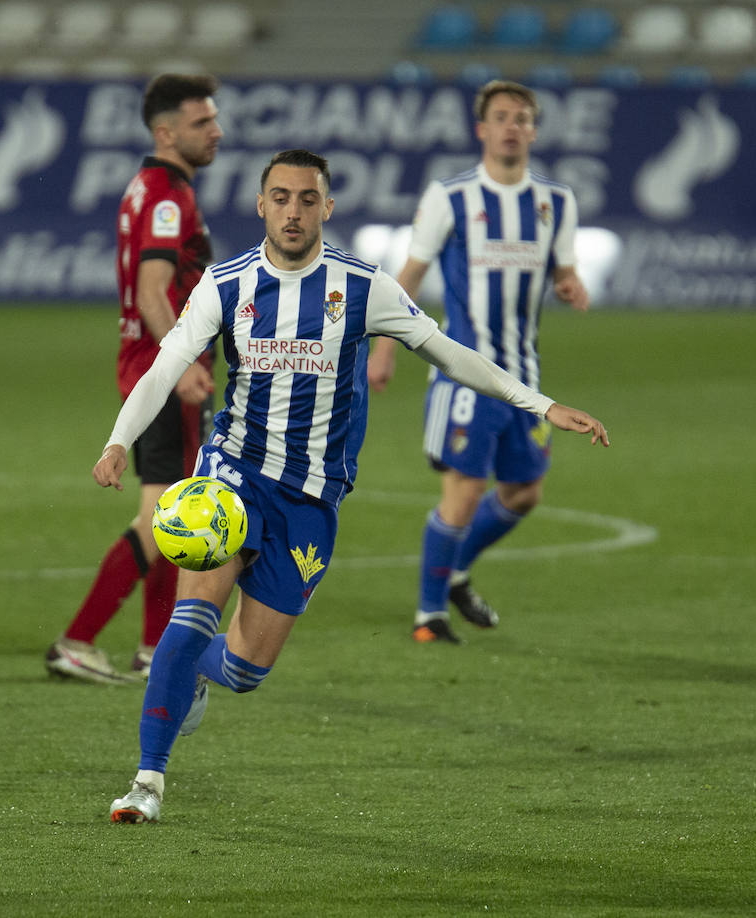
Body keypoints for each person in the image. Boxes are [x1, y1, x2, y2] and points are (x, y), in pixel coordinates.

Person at [93, 149, 608, 823]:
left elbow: (449, 353)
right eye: (280, 198)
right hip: (232, 473)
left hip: (309, 498)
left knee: (247, 669)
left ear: (327, 208)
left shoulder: (363, 287)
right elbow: (165, 368)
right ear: (260, 205)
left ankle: (196, 673)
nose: (293, 212)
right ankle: (147, 782)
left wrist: (540, 405)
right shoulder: (227, 283)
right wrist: (117, 440)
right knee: (190, 614)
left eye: (307, 199)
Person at [369, 80, 592, 645]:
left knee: (523, 493)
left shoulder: (556, 202)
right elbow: (410, 275)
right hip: (462, 373)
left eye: (522, 117)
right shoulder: (451, 197)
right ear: (482, 129)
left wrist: (571, 285)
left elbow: (563, 270)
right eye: (501, 116)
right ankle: (428, 617)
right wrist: (385, 347)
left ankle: (455, 571)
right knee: (464, 491)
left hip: (525, 377)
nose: (512, 126)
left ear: (534, 130)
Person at [45, 74, 223, 685]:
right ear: (166, 131)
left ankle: (153, 648)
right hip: (164, 374)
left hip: (149, 367)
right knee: (162, 521)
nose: (216, 131)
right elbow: (153, 291)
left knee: (172, 508)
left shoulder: (147, 187)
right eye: (203, 123)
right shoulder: (168, 196)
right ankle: (77, 640)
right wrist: (187, 364)